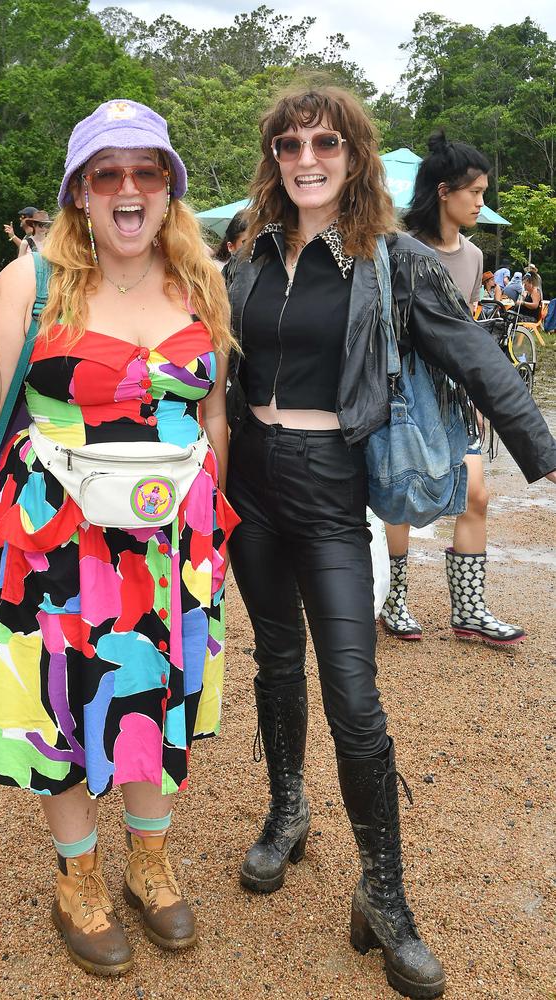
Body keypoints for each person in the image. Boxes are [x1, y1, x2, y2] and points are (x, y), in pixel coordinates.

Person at [223, 85, 556, 1000]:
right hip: (247, 484)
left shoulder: (391, 258)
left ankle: (386, 894)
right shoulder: (245, 256)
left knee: (356, 695)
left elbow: (472, 352)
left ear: (354, 153)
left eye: (325, 141)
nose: (307, 157)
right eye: (289, 143)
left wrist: (542, 449)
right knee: (275, 662)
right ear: (274, 157)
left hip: (333, 487)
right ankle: (287, 814)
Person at [0, 98, 237, 977]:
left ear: (170, 188)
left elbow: (213, 407)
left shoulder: (201, 279)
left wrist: (213, 525)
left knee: (151, 696)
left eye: (147, 170)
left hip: (167, 544)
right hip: (55, 542)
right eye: (108, 173)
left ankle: (149, 858)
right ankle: (78, 877)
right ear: (80, 192)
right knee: (61, 706)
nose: (129, 187)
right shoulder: (35, 279)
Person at [382, 132, 526, 645]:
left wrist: (478, 397)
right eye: (476, 193)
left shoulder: (474, 256)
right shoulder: (395, 248)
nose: (481, 204)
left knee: (477, 494)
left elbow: (465, 331)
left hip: (452, 395)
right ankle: (393, 600)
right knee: (402, 494)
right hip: (404, 392)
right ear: (444, 191)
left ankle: (469, 610)